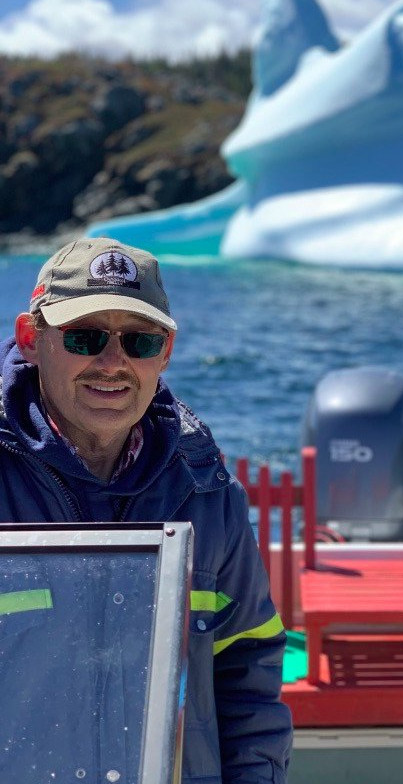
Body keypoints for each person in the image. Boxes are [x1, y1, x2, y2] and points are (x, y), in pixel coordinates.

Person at [0, 236, 292, 782]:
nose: (113, 363)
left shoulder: (208, 493)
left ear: (166, 352)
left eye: (139, 341)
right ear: (31, 339)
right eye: (85, 337)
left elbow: (247, 662)